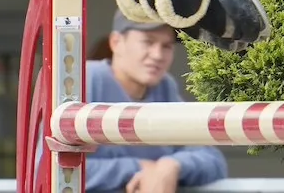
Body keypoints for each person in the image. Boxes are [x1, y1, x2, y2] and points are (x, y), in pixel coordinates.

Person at [83, 13, 229, 192]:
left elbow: (213, 161)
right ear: (116, 43)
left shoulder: (164, 86)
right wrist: (141, 168)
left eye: (166, 46)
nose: (158, 55)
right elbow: (51, 167)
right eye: (148, 42)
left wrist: (172, 166)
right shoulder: (88, 78)